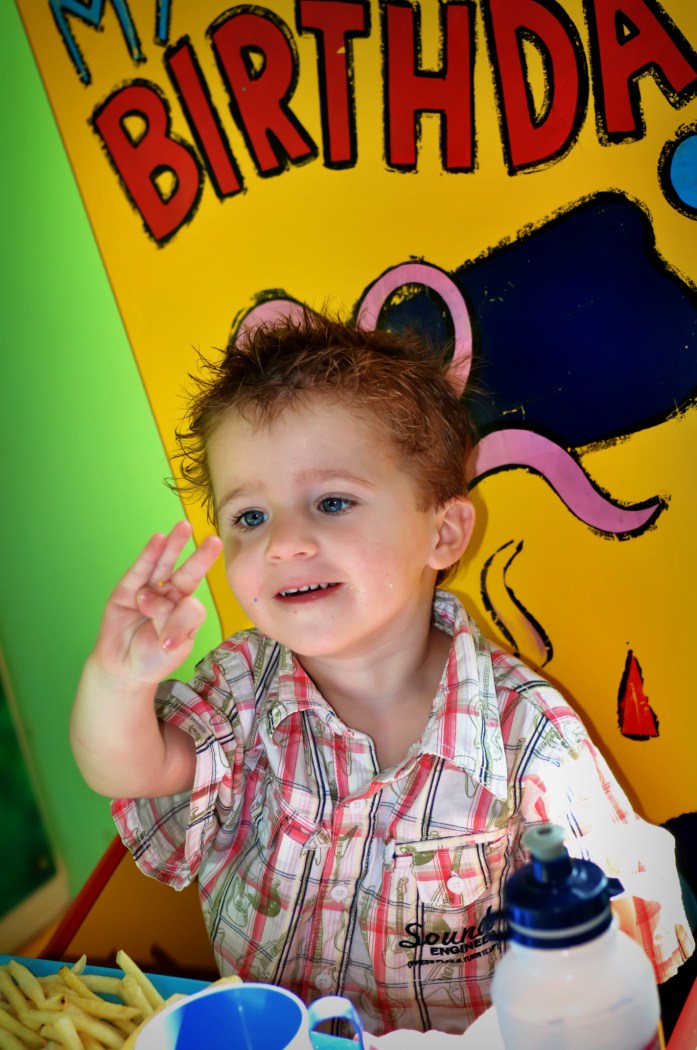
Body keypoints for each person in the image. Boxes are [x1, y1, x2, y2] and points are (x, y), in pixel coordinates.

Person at [71, 310, 694, 1038]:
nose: (283, 544)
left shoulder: (529, 734)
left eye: (332, 502)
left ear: (443, 532)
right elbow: (131, 770)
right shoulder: (237, 687)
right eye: (249, 517)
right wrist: (118, 679)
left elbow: (629, 949)